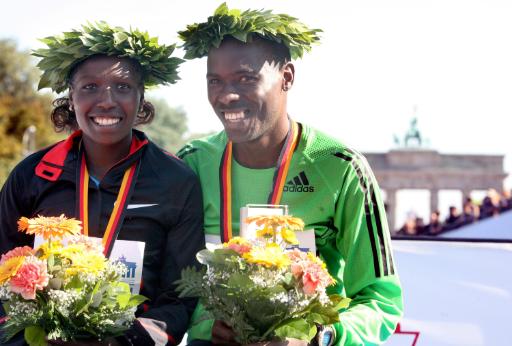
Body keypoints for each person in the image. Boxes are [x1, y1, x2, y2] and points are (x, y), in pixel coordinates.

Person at [176, 4, 403, 345]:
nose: (227, 95)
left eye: (246, 78)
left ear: (287, 78)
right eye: (215, 81)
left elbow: (382, 300)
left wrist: (318, 337)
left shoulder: (341, 168)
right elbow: (169, 283)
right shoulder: (192, 163)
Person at [0, 23, 204, 346]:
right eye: (90, 87)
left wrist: (130, 339)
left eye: (123, 86)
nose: (106, 101)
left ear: (141, 98)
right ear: (71, 97)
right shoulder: (32, 175)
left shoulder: (176, 181)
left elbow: (178, 297)